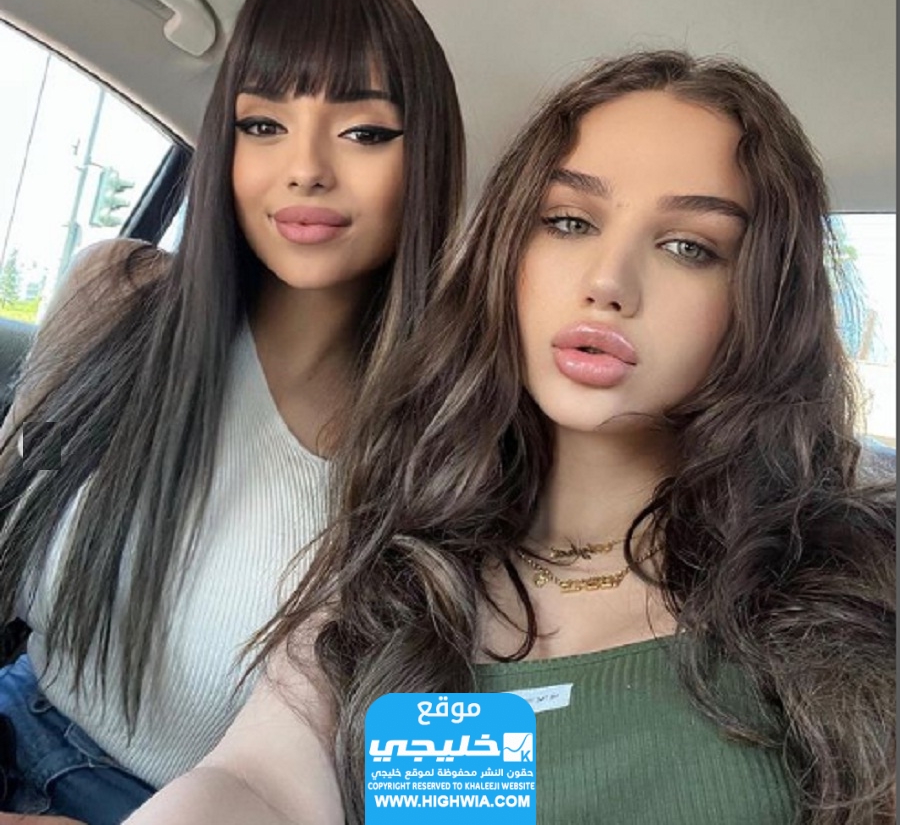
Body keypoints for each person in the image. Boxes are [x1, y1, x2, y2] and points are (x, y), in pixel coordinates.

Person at [124, 50, 894, 825]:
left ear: (765, 302)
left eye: (689, 246)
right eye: (569, 222)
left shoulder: (851, 579)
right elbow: (262, 783)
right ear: (507, 253)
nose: (607, 281)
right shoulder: (409, 579)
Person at [0, 0, 465, 824]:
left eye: (364, 132)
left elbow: (429, 790)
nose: (306, 169)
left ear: (426, 160)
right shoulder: (113, 294)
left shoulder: (441, 444)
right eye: (263, 125)